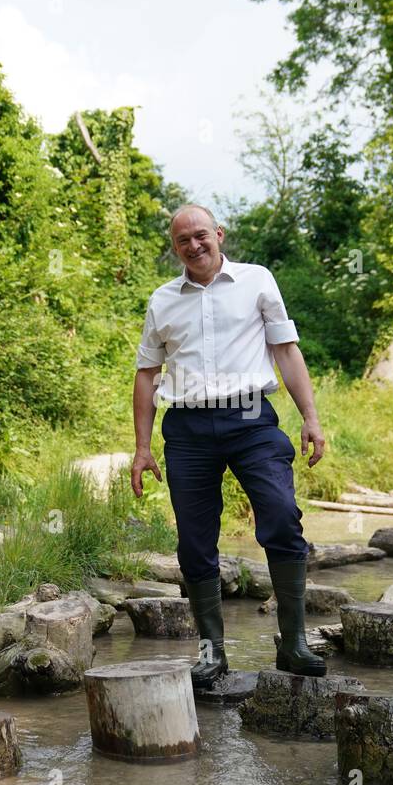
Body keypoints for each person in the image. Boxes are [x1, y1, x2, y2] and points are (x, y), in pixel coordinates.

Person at [130, 202, 327, 689]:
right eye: (183, 240)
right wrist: (141, 447)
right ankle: (211, 652)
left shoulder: (257, 280)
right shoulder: (162, 300)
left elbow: (285, 349)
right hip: (188, 431)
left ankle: (294, 643)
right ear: (174, 248)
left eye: (201, 235)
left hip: (251, 421)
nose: (194, 245)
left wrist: (311, 418)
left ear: (218, 233)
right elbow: (146, 373)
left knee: (281, 514)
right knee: (195, 543)